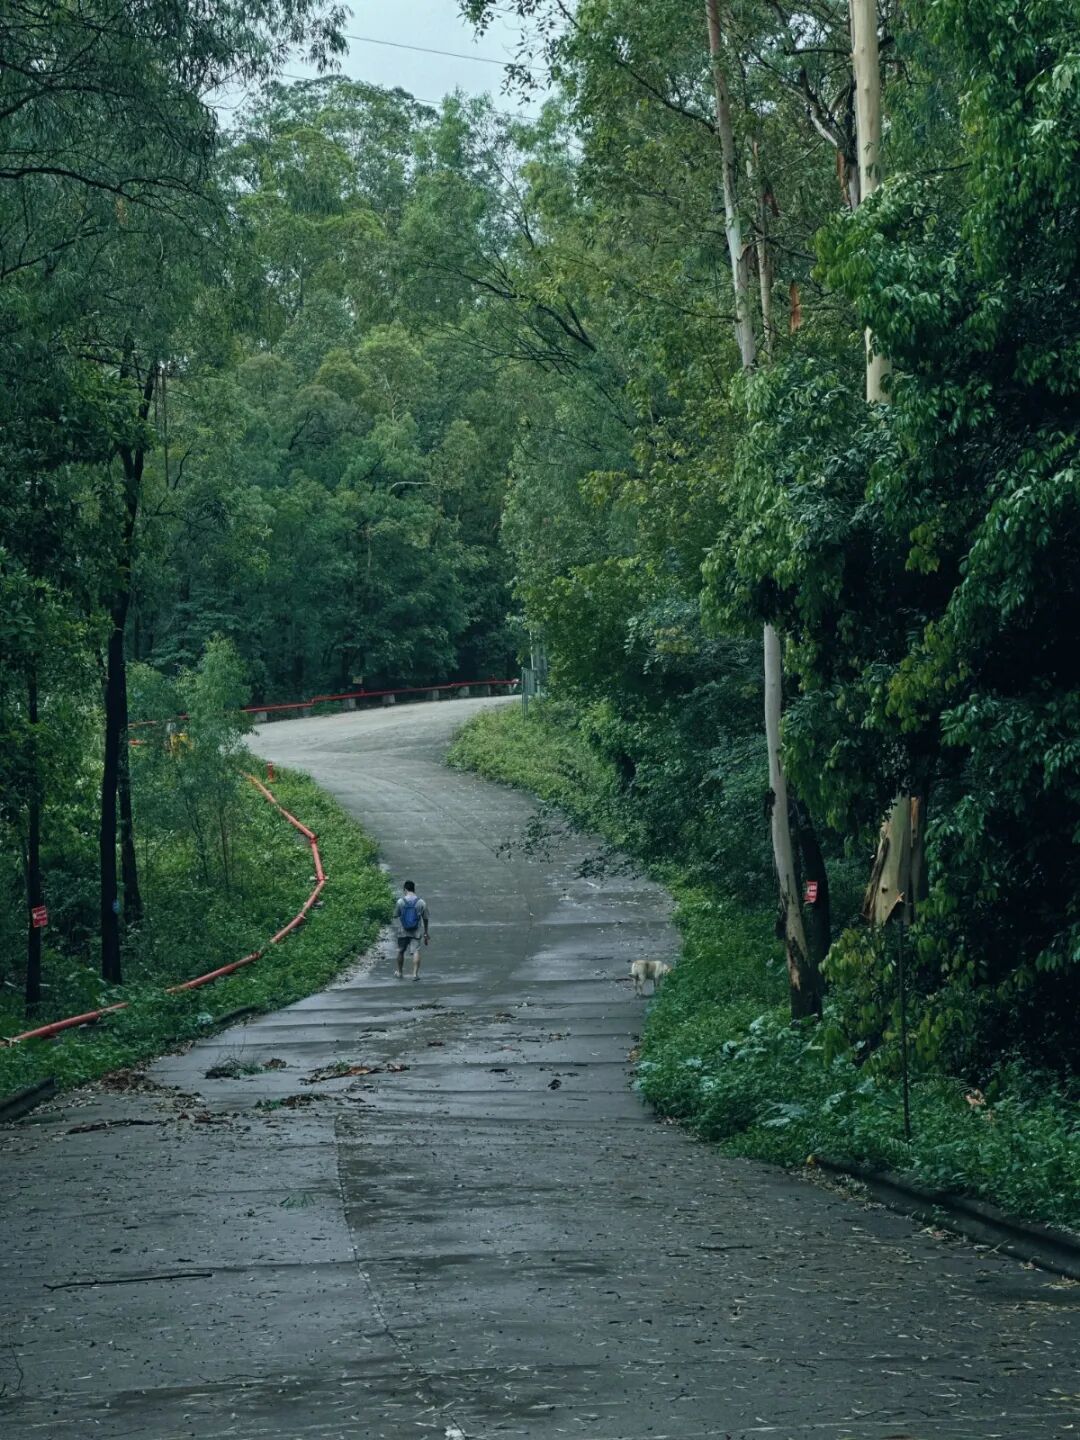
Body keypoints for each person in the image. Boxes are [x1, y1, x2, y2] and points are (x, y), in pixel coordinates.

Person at [393, 880, 430, 980]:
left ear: (405, 889)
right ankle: (415, 974)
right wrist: (426, 933)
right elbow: (425, 918)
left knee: (401, 951)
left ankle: (400, 972)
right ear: (414, 889)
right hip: (416, 931)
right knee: (416, 951)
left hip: (403, 931)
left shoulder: (400, 901)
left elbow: (395, 915)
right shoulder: (421, 902)